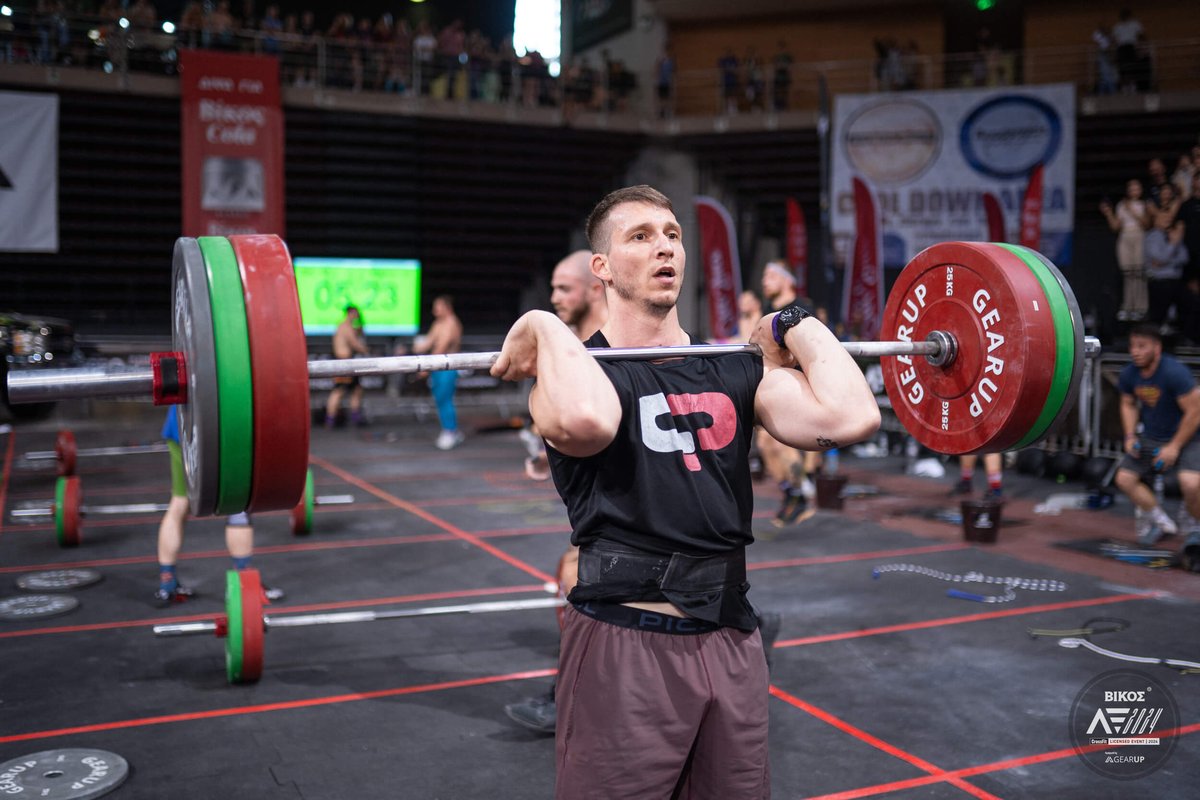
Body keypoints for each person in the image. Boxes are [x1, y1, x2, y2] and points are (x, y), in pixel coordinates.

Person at [489, 185, 879, 795]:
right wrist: (542, 322)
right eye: (639, 237)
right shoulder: (576, 376)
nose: (663, 246)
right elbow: (586, 424)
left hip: (732, 637)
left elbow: (851, 416)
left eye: (671, 234)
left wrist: (789, 322)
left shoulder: (733, 367)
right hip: (627, 641)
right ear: (603, 268)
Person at [155, 406, 284, 606]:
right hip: (227, 426)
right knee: (238, 503)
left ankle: (167, 583)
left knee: (179, 503)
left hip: (181, 427)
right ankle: (243, 582)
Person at [1114, 323, 1200, 547]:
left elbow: (1195, 411)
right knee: (1124, 478)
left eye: (1142, 346)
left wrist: (1174, 447)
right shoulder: (1129, 374)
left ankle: (1195, 525)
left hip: (1188, 436)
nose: (1135, 351)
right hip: (1152, 436)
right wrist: (1130, 436)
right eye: (1133, 346)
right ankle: (1159, 520)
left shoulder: (1173, 372)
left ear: (1157, 348)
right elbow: (1127, 404)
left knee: (1190, 484)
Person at [759, 260, 818, 525]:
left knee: (781, 442)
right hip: (773, 383)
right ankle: (792, 493)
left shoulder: (803, 309)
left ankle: (802, 494)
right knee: (764, 444)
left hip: (800, 383)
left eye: (770, 275)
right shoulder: (766, 310)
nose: (765, 281)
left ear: (787, 281)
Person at [413, 294, 465, 450]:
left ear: (446, 307)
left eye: (438, 306)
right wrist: (416, 347)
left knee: (445, 400)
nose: (435, 310)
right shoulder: (438, 324)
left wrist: (426, 368)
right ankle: (451, 430)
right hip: (437, 367)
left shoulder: (451, 324)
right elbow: (428, 342)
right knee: (440, 400)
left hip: (448, 368)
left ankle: (451, 432)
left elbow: (441, 347)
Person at [1100, 179, 1149, 322]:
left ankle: (1140, 307)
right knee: (1128, 273)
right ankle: (1128, 307)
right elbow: (1115, 226)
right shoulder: (1122, 205)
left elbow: (1147, 224)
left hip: (1139, 235)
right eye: (1131, 187)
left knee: (1139, 272)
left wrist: (1133, 210)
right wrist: (1109, 213)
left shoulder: (1144, 204)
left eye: (1136, 187)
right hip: (1125, 236)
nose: (1134, 190)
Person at [324, 304, 369, 429]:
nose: (356, 316)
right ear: (350, 313)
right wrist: (365, 350)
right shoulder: (345, 326)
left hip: (348, 363)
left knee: (357, 389)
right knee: (339, 391)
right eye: (355, 314)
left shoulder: (350, 327)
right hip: (342, 363)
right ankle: (330, 420)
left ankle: (355, 417)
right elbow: (355, 343)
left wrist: (361, 322)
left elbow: (360, 333)